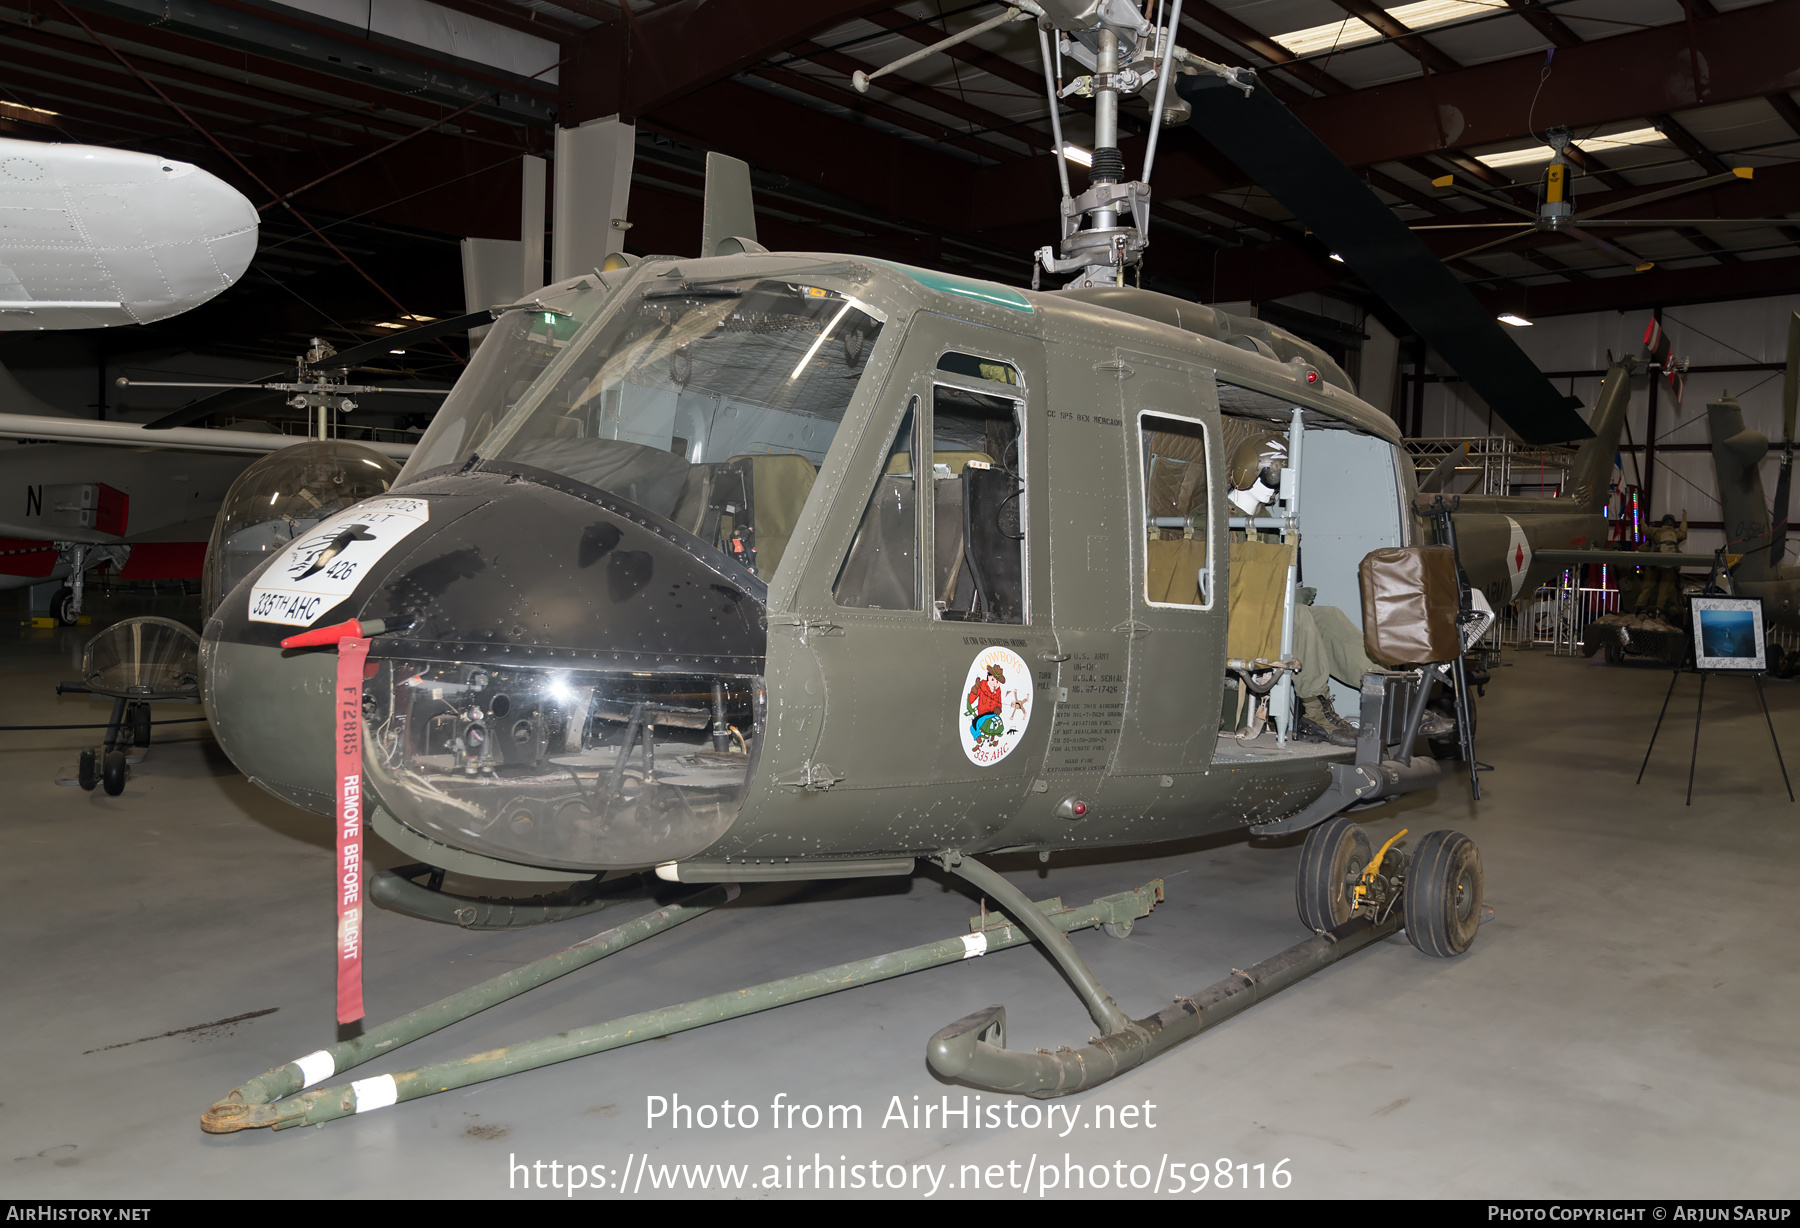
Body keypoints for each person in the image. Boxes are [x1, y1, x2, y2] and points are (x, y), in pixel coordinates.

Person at [1638, 511, 1688, 615]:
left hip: (1653, 565)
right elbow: (1684, 532)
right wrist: (1684, 518)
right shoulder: (1677, 535)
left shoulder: (1656, 533)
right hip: (1669, 566)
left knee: (1647, 587)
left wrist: (1642, 522)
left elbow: (1645, 530)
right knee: (1665, 589)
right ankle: (1659, 608)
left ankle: (1639, 606)